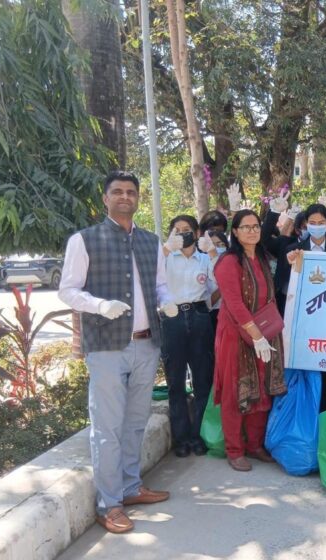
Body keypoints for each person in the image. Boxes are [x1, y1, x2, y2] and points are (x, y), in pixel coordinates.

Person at [59, 171, 174, 533]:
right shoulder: (84, 240)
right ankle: (109, 504)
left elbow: (160, 285)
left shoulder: (151, 241)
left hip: (146, 343)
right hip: (107, 346)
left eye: (131, 192)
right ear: (105, 198)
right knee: (107, 427)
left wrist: (167, 301)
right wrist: (98, 305)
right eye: (118, 191)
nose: (125, 197)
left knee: (136, 421)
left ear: (138, 198)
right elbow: (67, 290)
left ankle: (130, 486)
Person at [213, 209, 286, 472]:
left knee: (262, 388)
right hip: (236, 335)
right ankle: (235, 450)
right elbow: (234, 304)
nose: (252, 231)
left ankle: (255, 445)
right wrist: (256, 335)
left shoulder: (262, 257)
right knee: (236, 391)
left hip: (264, 333)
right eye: (246, 227)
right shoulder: (229, 262)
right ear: (235, 231)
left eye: (256, 226)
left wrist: (263, 336)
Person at [160, 215, 219, 458]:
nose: (182, 233)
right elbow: (147, 273)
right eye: (177, 230)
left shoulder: (204, 258)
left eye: (187, 229)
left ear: (196, 233)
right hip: (171, 317)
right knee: (175, 382)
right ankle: (181, 438)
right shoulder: (165, 258)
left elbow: (219, 282)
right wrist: (166, 249)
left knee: (202, 380)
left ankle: (199, 436)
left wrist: (213, 253)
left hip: (199, 315)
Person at [286, 204, 326, 411]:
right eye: (312, 223)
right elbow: (284, 288)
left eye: (321, 222)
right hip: (304, 324)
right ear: (306, 224)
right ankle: (304, 422)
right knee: (304, 377)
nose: (317, 226)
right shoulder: (294, 251)